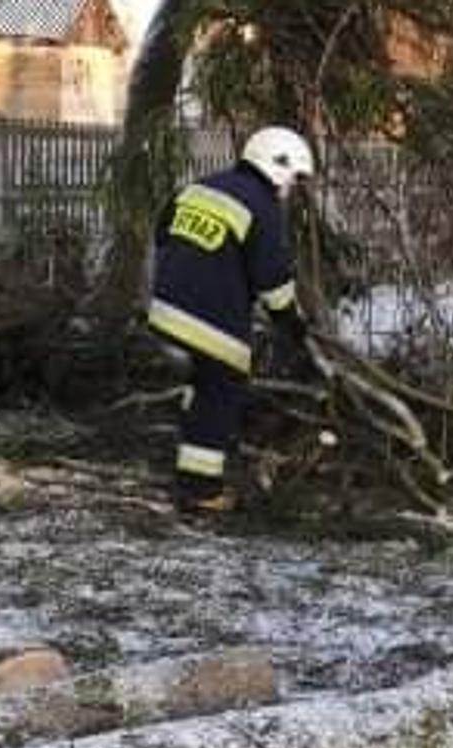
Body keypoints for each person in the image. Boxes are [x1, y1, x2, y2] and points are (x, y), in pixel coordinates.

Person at [146, 126, 315, 513]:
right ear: (278, 166)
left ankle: (192, 455)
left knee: (203, 385)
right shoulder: (262, 207)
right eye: (294, 178)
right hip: (209, 319)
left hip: (165, 307)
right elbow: (272, 279)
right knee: (221, 391)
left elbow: (162, 232)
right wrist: (293, 325)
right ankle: (201, 491)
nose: (291, 188)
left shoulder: (201, 187)